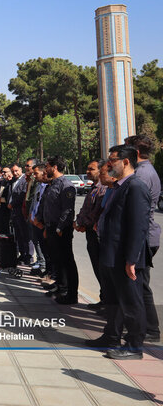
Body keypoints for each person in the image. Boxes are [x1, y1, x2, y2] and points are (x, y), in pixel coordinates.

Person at [86, 145, 151, 359]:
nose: (108, 164)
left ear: (125, 162)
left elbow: (138, 226)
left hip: (125, 257)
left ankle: (134, 346)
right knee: (113, 300)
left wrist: (132, 259)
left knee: (131, 303)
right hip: (111, 253)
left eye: (112, 160)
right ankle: (111, 336)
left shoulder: (135, 187)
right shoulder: (118, 186)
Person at [125, 135, 161, 342]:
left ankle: (149, 330)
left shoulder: (142, 175)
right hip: (143, 234)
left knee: (139, 285)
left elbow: (138, 213)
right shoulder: (141, 172)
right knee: (138, 284)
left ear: (135, 153)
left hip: (143, 236)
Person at [42, 156, 78, 305]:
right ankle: (61, 286)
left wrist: (59, 228)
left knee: (67, 261)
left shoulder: (65, 184)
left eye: (47, 166)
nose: (45, 169)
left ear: (54, 167)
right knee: (57, 260)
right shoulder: (52, 184)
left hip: (61, 230)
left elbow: (68, 210)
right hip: (51, 228)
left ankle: (70, 293)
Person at [74, 159, 108, 309]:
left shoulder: (103, 189)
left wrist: (83, 224)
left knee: (102, 269)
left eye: (91, 169)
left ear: (101, 170)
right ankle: (104, 299)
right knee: (97, 267)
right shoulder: (94, 188)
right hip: (89, 232)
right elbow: (85, 209)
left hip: (97, 234)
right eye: (87, 169)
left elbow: (96, 213)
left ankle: (107, 302)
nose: (88, 172)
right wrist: (78, 222)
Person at [9, 163, 33, 264]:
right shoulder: (13, 181)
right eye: (13, 171)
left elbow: (23, 195)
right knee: (18, 235)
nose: (15, 173)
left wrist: (12, 204)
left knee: (25, 236)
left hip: (21, 212)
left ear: (20, 169)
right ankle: (22, 255)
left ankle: (29, 256)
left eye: (16, 171)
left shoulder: (24, 180)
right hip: (15, 213)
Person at [29, 163, 49, 277]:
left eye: (36, 173)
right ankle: (43, 266)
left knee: (46, 248)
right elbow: (35, 202)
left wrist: (40, 220)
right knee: (38, 244)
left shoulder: (48, 186)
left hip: (42, 223)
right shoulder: (39, 185)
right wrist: (32, 216)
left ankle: (45, 267)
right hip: (35, 221)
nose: (34, 176)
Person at [0, 167, 12, 235]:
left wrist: (2, 200)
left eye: (5, 172)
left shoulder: (11, 182)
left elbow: (11, 196)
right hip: (0, 210)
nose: (3, 173)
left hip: (8, 210)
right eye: (2, 172)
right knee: (0, 229)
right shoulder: (1, 182)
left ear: (10, 172)